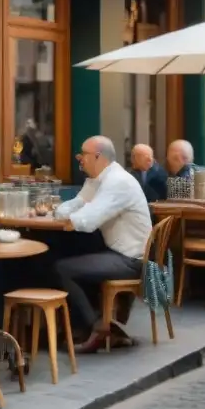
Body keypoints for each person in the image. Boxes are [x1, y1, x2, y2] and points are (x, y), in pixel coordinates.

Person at [53, 136, 152, 353]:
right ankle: (89, 326)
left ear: (98, 157)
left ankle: (98, 328)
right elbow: (75, 205)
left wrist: (70, 220)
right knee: (74, 257)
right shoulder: (97, 180)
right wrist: (60, 214)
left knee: (64, 268)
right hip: (117, 252)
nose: (80, 160)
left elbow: (89, 219)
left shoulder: (117, 182)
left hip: (131, 260)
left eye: (83, 156)